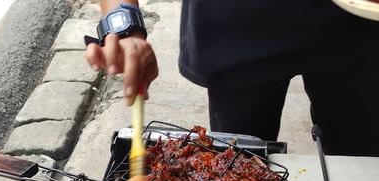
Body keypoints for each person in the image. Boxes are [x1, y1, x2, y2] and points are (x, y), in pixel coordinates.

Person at [86, 0, 379, 156]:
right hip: (236, 26)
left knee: (359, 161)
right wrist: (123, 23)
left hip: (357, 21)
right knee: (240, 165)